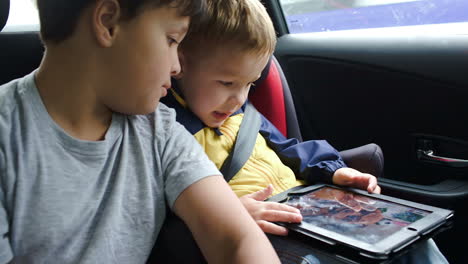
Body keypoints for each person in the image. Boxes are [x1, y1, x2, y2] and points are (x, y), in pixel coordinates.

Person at [162, 0, 449, 263]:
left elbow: (290, 148)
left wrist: (333, 171)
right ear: (179, 64)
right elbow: (162, 209)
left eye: (250, 84)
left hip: (309, 209)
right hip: (263, 230)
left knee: (410, 242)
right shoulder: (167, 131)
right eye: (226, 83)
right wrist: (229, 215)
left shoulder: (241, 113)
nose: (239, 98)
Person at [0, 0, 281, 263]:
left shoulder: (159, 130)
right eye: (172, 40)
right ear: (108, 23)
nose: (177, 66)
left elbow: (237, 239)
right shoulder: (9, 133)